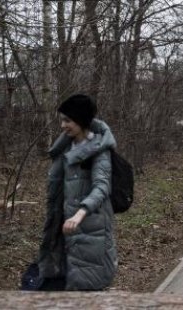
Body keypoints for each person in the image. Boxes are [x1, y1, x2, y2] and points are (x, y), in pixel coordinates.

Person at [37, 94, 118, 291]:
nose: (63, 126)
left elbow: (102, 187)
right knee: (61, 284)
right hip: (64, 226)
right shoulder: (66, 145)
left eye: (68, 120)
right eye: (62, 120)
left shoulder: (99, 150)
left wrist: (80, 213)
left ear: (81, 121)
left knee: (87, 286)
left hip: (90, 228)